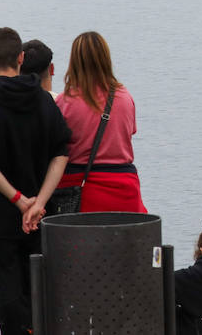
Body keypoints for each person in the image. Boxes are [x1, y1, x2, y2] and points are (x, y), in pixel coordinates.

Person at [0, 27, 70, 335]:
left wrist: (19, 200)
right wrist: (38, 201)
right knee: (38, 285)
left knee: (8, 287)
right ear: (21, 58)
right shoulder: (43, 101)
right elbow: (61, 153)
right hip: (42, 215)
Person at [52, 31, 146, 213]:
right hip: (124, 190)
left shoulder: (65, 102)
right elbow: (129, 133)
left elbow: (56, 148)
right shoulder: (125, 98)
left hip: (82, 192)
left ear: (75, 62)